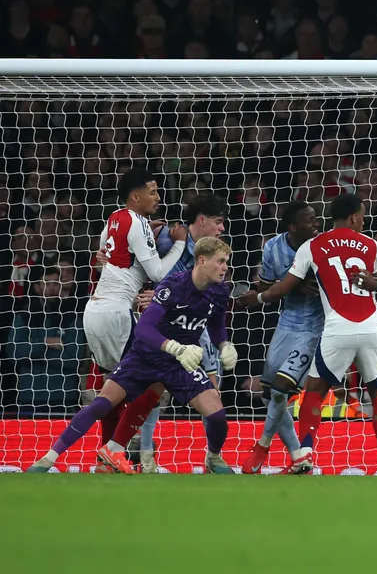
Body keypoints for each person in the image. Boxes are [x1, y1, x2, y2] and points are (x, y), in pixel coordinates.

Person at [28, 238, 236, 474]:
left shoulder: (220, 291)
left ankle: (213, 459)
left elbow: (217, 323)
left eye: (226, 262)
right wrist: (175, 347)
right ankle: (47, 459)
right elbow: (144, 328)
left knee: (217, 416)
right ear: (202, 260)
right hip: (146, 356)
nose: (225, 267)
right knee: (101, 404)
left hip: (180, 363)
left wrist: (224, 344)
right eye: (220, 261)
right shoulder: (174, 285)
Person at [235, 193, 377, 476]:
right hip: (370, 326)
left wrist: (257, 299)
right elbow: (372, 280)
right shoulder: (371, 245)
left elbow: (281, 289)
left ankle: (303, 455)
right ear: (355, 217)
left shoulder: (312, 246)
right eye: (363, 214)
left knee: (313, 392)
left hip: (334, 328)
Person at [111, 193, 229, 473]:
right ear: (201, 221)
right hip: (164, 323)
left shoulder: (215, 249)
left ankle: (213, 455)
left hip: (197, 324)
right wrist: (149, 293)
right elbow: (137, 267)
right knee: (154, 386)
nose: (221, 229)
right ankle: (146, 451)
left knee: (212, 388)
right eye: (218, 222)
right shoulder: (165, 239)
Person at [81, 167, 188, 463]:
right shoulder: (138, 223)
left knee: (111, 390)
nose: (158, 197)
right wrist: (178, 243)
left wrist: (145, 235)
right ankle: (119, 450)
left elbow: (103, 251)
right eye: (153, 192)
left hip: (94, 312)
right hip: (117, 312)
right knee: (154, 382)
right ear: (136, 196)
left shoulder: (114, 217)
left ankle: (107, 457)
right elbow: (157, 273)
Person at [241, 200, 322, 474]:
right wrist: (259, 292)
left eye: (316, 218)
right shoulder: (273, 247)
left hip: (314, 328)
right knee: (269, 394)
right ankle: (299, 457)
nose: (316, 224)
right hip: (286, 324)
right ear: (292, 226)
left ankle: (262, 446)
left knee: (280, 389)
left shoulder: (322, 246)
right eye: (309, 220)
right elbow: (266, 284)